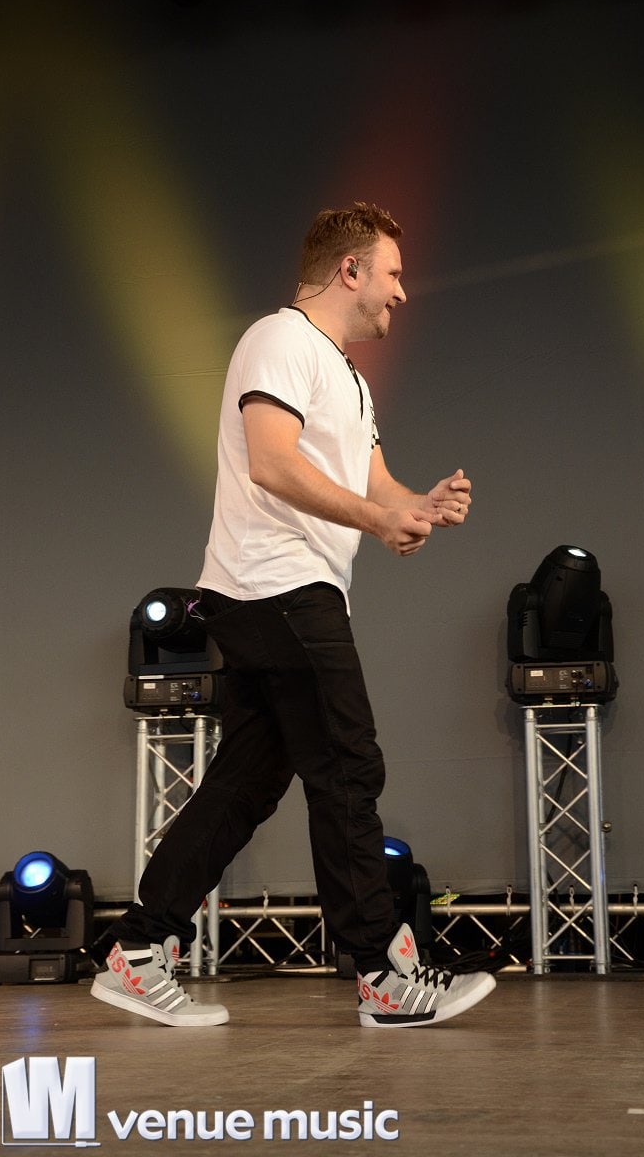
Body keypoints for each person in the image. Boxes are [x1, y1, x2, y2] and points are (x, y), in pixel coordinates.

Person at [91, 202, 496, 1028]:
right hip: (274, 586)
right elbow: (271, 464)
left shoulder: (346, 376)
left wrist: (412, 505)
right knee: (347, 765)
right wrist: (376, 520)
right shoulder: (278, 340)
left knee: (246, 782)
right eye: (391, 273)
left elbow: (371, 482)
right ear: (349, 270)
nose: (402, 292)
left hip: (278, 590)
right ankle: (381, 975)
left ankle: (137, 948)